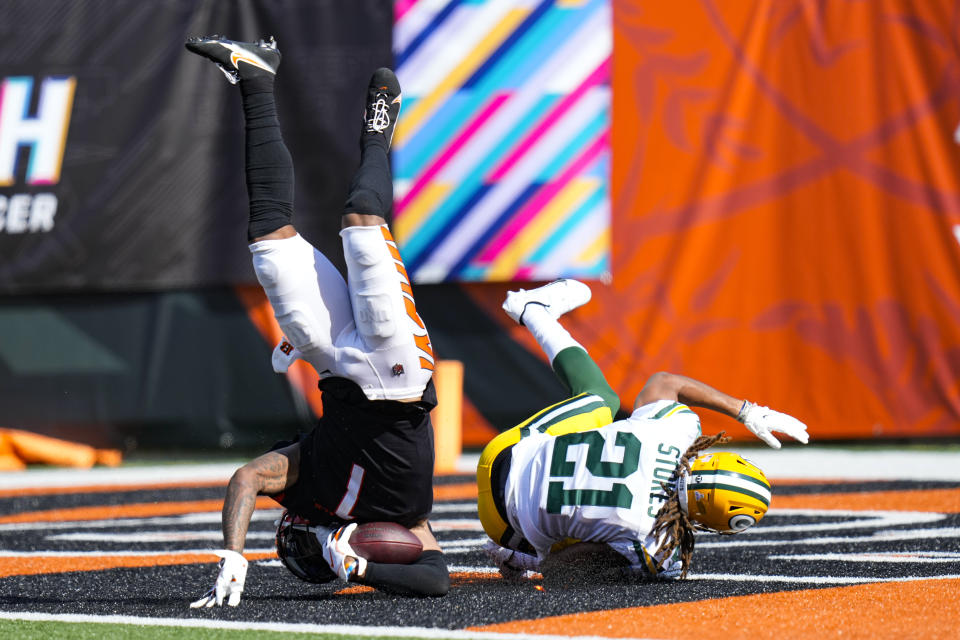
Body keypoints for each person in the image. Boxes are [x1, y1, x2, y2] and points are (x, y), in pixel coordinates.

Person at [183, 35, 449, 607]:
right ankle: (380, 128)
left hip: (333, 363)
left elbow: (247, 478)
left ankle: (255, 78)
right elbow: (434, 577)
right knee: (360, 218)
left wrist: (233, 551)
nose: (303, 529)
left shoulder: (302, 485)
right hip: (397, 373)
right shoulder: (398, 522)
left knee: (268, 236)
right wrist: (357, 567)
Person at [477, 279, 809, 585]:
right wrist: (516, 556)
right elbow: (561, 571)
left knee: (603, 400)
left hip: (503, 453)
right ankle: (530, 307)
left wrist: (746, 411)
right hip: (501, 525)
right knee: (603, 539)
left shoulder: (674, 432)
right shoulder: (657, 546)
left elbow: (665, 382)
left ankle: (534, 313)